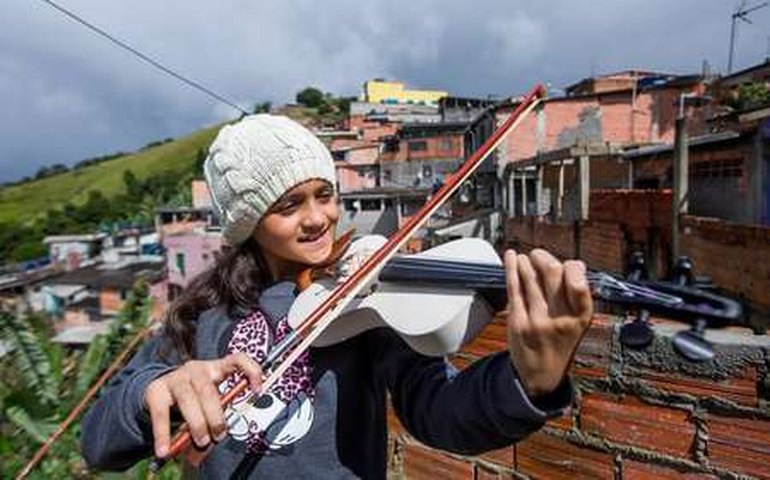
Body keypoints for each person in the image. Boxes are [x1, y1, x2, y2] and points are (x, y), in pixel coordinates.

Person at [81, 114, 593, 479]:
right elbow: (99, 443)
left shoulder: (367, 306)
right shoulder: (202, 314)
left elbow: (441, 411)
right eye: (289, 205)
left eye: (324, 195)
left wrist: (526, 381)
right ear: (248, 223)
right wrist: (161, 388)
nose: (319, 218)